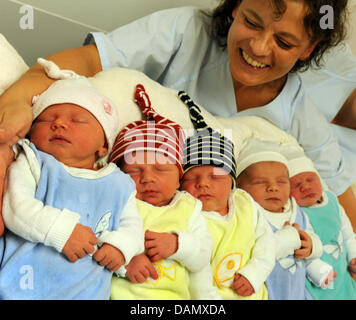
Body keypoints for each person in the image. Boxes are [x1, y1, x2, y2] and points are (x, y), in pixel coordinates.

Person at [0, 0, 356, 234]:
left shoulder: (297, 112)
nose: (260, 48)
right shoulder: (186, 31)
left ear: (308, 49)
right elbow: (90, 61)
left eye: (284, 42)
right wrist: (18, 98)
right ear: (235, 8)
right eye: (251, 21)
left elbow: (340, 195)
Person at [0, 72, 144, 299]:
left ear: (103, 147)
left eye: (77, 120)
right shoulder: (32, 161)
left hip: (86, 292)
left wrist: (121, 246)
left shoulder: (119, 184)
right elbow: (15, 207)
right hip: (20, 287)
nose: (59, 123)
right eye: (47, 119)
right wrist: (61, 231)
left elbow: (133, 226)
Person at [108, 84, 216, 300]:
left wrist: (178, 245)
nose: (148, 178)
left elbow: (203, 256)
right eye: (134, 171)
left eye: (160, 169)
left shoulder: (188, 208)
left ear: (179, 177)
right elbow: (98, 236)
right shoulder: (117, 200)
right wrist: (126, 258)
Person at [179, 91, 275, 300]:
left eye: (215, 177)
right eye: (192, 177)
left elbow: (267, 245)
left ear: (232, 182)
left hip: (253, 291)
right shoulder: (184, 211)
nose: (203, 183)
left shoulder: (245, 203)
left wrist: (254, 274)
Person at [236, 138, 335, 299]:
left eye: (281, 182)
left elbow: (310, 238)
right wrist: (288, 238)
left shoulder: (296, 212)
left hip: (298, 291)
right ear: (240, 188)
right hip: (266, 291)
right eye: (260, 182)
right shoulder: (249, 213)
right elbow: (248, 249)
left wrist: (311, 248)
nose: (273, 187)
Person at [289, 155, 356, 299]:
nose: (305, 186)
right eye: (296, 184)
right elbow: (301, 249)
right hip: (318, 277)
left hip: (342, 274)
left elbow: (347, 233)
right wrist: (317, 270)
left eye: (310, 180)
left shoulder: (331, 200)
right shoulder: (296, 213)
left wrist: (353, 255)